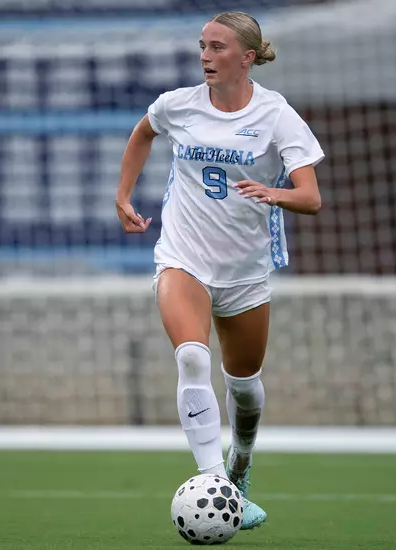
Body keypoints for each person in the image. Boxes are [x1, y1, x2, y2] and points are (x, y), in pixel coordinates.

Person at [115, 11, 324, 530]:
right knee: (191, 356)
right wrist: (122, 196)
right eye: (202, 46)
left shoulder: (277, 115)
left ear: (247, 57)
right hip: (183, 257)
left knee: (244, 386)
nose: (206, 57)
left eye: (218, 48)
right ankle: (215, 482)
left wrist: (273, 193)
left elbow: (310, 197)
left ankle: (240, 464)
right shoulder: (177, 105)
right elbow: (143, 133)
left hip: (245, 271)